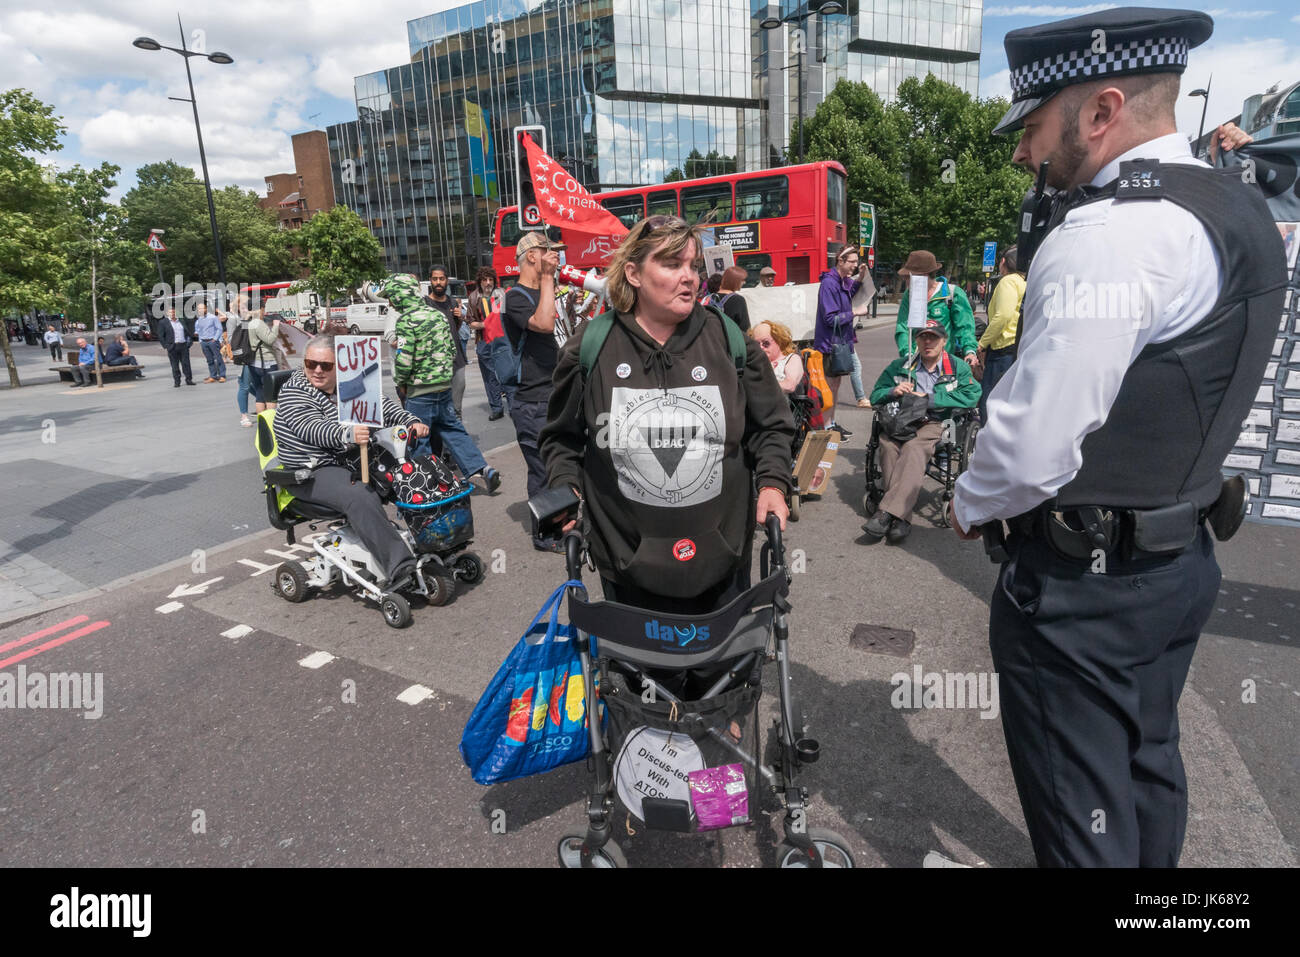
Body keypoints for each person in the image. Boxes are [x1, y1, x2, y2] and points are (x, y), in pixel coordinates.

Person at [950, 6, 1286, 868]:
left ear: (1100, 112)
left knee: (1081, 817)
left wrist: (965, 501)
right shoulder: (1234, 208)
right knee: (1145, 773)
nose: (1025, 152)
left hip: (1081, 592)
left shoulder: (1105, 235)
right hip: (1177, 563)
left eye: (1033, 126)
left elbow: (1031, 444)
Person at [541, 214, 794, 612]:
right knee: (642, 673)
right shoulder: (590, 347)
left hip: (722, 555)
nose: (689, 277)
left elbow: (772, 426)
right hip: (626, 560)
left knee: (724, 669)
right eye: (672, 264)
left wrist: (774, 484)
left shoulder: (729, 340)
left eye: (693, 265)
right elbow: (561, 438)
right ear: (634, 274)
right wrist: (565, 488)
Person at [274, 335, 430, 588]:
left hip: (348, 460)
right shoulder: (294, 391)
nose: (316, 370)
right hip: (311, 469)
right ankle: (401, 568)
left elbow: (382, 407)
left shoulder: (350, 382)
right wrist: (347, 433)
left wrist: (410, 421)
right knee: (359, 496)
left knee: (411, 475)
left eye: (326, 365)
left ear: (341, 366)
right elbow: (310, 428)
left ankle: (433, 542)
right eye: (310, 363)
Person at [863, 320, 979, 545]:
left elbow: (972, 396)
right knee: (887, 445)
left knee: (914, 447)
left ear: (944, 341)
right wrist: (892, 391)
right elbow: (875, 395)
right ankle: (901, 517)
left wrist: (929, 400)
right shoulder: (900, 366)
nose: (927, 342)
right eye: (922, 337)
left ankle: (886, 513)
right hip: (902, 421)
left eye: (933, 337)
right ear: (916, 341)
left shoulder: (957, 367)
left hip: (937, 422)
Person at [388, 273, 501, 493]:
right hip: (443, 386)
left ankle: (428, 487)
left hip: (419, 392)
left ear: (399, 295)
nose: (391, 302)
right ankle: (484, 468)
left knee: (420, 438)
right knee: (454, 431)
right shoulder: (437, 315)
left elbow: (404, 359)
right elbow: (451, 349)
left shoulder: (406, 320)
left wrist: (401, 383)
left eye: (391, 297)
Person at [502, 231, 565, 550]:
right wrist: (549, 279)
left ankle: (561, 521)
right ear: (531, 257)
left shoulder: (543, 290)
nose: (554, 257)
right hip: (530, 398)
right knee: (541, 467)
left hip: (552, 392)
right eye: (548, 252)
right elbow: (544, 324)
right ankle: (544, 533)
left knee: (558, 463)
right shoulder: (515, 296)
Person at [814, 244, 870, 435]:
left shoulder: (842, 281)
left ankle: (830, 423)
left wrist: (861, 278)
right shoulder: (829, 283)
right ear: (841, 261)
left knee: (835, 385)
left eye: (856, 261)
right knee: (830, 386)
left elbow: (849, 293)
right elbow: (830, 318)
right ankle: (826, 425)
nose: (855, 265)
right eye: (852, 262)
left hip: (840, 342)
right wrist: (855, 312)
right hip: (830, 344)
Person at [893, 250, 979, 368]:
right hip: (916, 363)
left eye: (909, 277)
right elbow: (902, 327)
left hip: (945, 363)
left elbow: (965, 327)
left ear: (924, 276)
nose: (906, 281)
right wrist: (907, 353)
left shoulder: (952, 294)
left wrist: (970, 351)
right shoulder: (909, 295)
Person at [975, 247, 1025, 422]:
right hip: (1016, 346)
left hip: (1003, 348)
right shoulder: (1022, 281)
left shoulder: (1008, 282)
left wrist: (982, 343)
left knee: (989, 401)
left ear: (1003, 261)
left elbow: (1003, 315)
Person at [467, 266, 507, 420]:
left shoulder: (501, 294)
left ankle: (512, 403)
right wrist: (486, 324)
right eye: (485, 280)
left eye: (491, 279)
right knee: (489, 377)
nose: (488, 283)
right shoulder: (473, 297)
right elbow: (470, 322)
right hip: (484, 341)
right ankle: (497, 408)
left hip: (502, 340)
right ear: (480, 281)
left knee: (506, 372)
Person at [751, 321, 803, 394]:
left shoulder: (792, 359)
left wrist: (759, 385)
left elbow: (790, 386)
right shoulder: (754, 361)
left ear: (779, 340)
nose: (761, 347)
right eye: (757, 344)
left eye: (766, 343)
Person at [246, 307, 280, 413]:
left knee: (260, 391)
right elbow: (270, 339)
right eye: (263, 309)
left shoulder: (248, 322)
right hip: (266, 361)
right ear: (259, 309)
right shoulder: (258, 323)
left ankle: (262, 422)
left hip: (253, 361)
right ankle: (270, 423)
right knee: (271, 392)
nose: (264, 312)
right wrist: (276, 326)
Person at [158, 307, 196, 387]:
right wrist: (166, 346)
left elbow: (187, 331)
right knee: (175, 365)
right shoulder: (163, 322)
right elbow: (161, 336)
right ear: (167, 314)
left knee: (186, 364)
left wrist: (189, 342)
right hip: (172, 347)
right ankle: (177, 381)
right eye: (170, 312)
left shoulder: (181, 321)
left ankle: (189, 380)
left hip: (183, 345)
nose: (172, 314)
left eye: (173, 312)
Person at [709, 265, 751, 332]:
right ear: (735, 282)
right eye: (742, 280)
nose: (744, 283)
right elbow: (745, 328)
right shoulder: (738, 300)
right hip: (731, 340)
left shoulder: (709, 298)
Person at [195, 301, 227, 383]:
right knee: (209, 360)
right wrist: (200, 341)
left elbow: (219, 328)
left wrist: (215, 339)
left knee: (218, 359)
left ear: (206, 309)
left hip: (212, 341)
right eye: (199, 309)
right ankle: (213, 376)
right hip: (204, 342)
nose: (201, 310)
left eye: (202, 308)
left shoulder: (213, 317)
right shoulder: (199, 319)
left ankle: (222, 375)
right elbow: (198, 330)